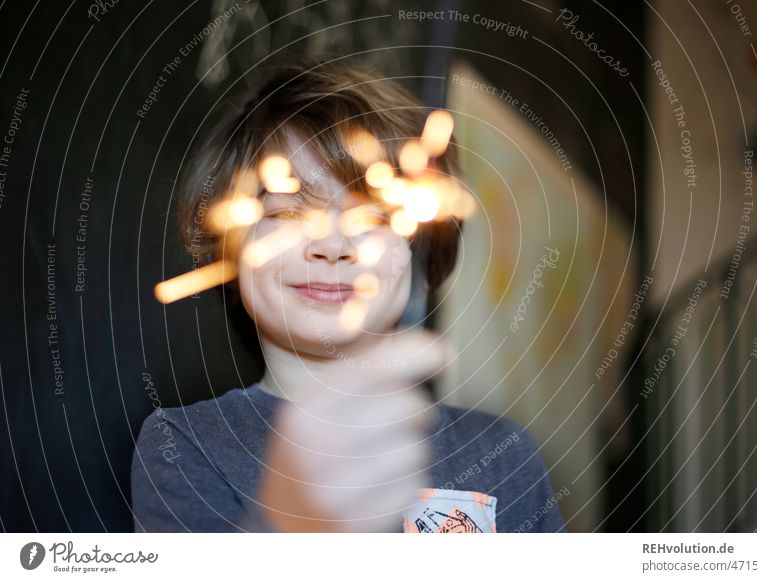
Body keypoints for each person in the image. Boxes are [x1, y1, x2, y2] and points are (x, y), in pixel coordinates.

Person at [130, 58, 565, 533]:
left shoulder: (503, 452)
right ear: (230, 254)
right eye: (289, 216)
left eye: (374, 219)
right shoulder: (186, 445)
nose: (333, 247)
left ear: (421, 255)